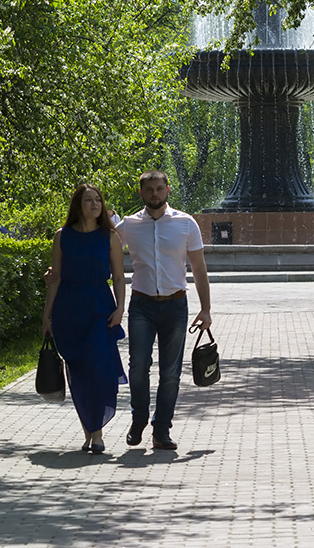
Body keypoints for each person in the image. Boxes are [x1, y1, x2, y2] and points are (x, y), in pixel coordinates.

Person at [116, 170, 212, 451]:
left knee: (170, 372)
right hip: (142, 305)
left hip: (175, 305)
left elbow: (199, 268)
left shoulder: (185, 223)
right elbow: (102, 249)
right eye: (149, 190)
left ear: (168, 190)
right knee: (138, 367)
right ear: (141, 193)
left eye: (159, 189)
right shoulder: (129, 225)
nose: (155, 194)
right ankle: (139, 418)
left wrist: (205, 309)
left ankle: (162, 429)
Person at [42, 184, 127, 453]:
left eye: (98, 200)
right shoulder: (62, 236)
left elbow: (119, 276)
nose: (94, 204)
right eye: (88, 200)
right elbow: (55, 279)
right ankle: (90, 432)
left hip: (100, 306)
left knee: (100, 371)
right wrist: (47, 316)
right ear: (78, 204)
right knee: (78, 372)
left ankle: (98, 432)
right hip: (69, 308)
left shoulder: (109, 236)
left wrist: (120, 308)